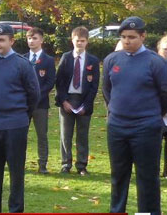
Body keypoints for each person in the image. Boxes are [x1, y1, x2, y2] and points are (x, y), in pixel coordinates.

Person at [102, 16, 167, 215]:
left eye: (132, 37)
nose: (127, 41)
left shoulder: (155, 62)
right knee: (118, 175)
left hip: (146, 127)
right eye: (123, 37)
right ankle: (117, 211)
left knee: (147, 177)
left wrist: (153, 116)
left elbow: (165, 94)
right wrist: (114, 111)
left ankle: (146, 213)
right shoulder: (112, 60)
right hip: (117, 127)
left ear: (143, 36)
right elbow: (107, 90)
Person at [0, 24, 40, 213]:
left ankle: (15, 209)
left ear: (11, 41)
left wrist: (22, 115)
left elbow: (34, 95)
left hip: (15, 125)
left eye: (1, 40)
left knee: (16, 172)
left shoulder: (23, 64)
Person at [55, 26, 99, 176]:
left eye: (82, 41)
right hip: (67, 98)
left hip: (84, 100)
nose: (79, 43)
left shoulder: (92, 60)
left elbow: (94, 86)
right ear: (72, 41)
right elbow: (59, 82)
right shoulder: (66, 58)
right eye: (77, 41)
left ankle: (81, 165)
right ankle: (65, 164)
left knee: (82, 134)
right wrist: (64, 101)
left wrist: (86, 105)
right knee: (65, 134)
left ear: (87, 42)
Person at [25, 27, 56, 174]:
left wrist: (37, 95)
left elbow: (50, 82)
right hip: (23, 104)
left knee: (42, 135)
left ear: (42, 40)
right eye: (29, 38)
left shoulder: (48, 60)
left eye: (35, 38)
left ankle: (42, 164)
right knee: (20, 133)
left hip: (41, 104)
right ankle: (19, 161)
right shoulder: (22, 58)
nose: (31, 41)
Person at [157, 35, 167, 178]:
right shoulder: (154, 66)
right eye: (165, 49)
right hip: (155, 112)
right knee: (154, 145)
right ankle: (154, 171)